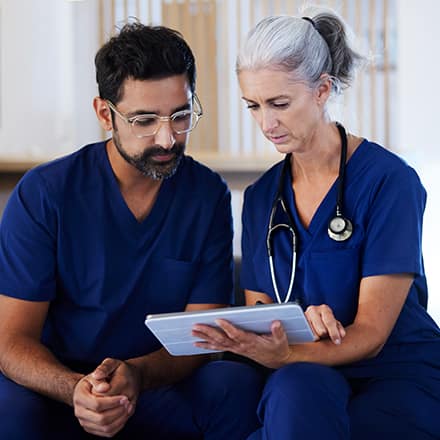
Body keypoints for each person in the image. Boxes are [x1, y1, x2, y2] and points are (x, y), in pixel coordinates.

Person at [0, 23, 263, 439]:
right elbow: (10, 341)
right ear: (105, 114)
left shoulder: (206, 195)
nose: (167, 137)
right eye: (144, 120)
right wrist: (78, 391)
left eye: (180, 116)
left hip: (155, 384)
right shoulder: (46, 193)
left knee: (233, 386)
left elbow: (201, 335)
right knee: (8, 409)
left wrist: (136, 376)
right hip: (60, 385)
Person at [192, 9, 440, 439]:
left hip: (393, 374)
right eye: (253, 105)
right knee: (286, 390)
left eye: (280, 103)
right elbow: (262, 310)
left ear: (322, 89)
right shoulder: (261, 199)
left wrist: (285, 353)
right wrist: (281, 334)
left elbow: (371, 335)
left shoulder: (389, 182)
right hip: (307, 370)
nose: (266, 123)